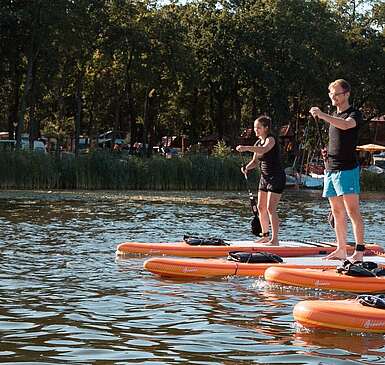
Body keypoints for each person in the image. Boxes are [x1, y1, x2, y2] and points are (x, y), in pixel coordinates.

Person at [310, 79, 365, 262]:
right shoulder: (334, 114)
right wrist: (327, 151)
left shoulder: (354, 114)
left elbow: (346, 125)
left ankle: (359, 251)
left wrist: (323, 115)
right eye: (330, 94)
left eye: (336, 93)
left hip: (347, 169)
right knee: (337, 212)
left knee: (352, 212)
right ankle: (341, 249)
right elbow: (337, 139)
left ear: (346, 94)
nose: (332, 97)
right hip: (330, 169)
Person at [236, 115, 286, 245]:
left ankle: (275, 240)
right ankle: (265, 236)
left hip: (276, 177)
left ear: (266, 128)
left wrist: (246, 148)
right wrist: (247, 168)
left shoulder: (271, 139)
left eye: (258, 127)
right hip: (264, 178)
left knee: (270, 208)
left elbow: (264, 150)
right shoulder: (257, 143)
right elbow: (255, 161)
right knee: (261, 207)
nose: (255, 130)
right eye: (254, 127)